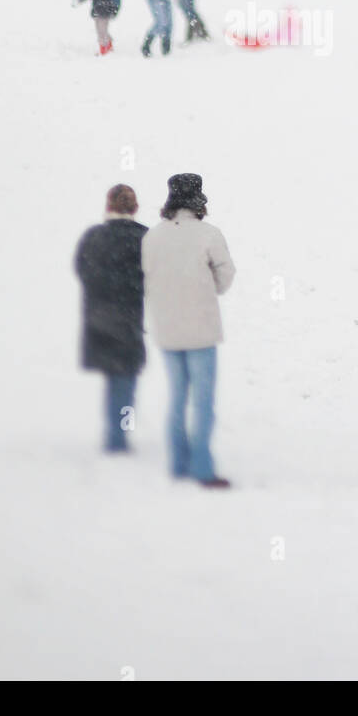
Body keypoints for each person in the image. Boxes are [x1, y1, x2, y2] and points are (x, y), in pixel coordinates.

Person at [142, 174, 236, 487]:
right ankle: (202, 467)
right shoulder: (209, 234)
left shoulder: (153, 237)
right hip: (201, 328)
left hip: (168, 328)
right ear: (199, 200)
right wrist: (209, 289)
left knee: (177, 397)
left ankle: (179, 463)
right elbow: (226, 274)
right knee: (203, 401)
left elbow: (146, 279)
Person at [73, 184, 148, 453]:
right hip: (128, 318)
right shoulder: (143, 238)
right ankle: (118, 437)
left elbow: (81, 270)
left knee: (111, 376)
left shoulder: (93, 237)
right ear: (135, 208)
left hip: (98, 316)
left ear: (108, 206)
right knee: (126, 379)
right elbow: (151, 277)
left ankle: (113, 435)